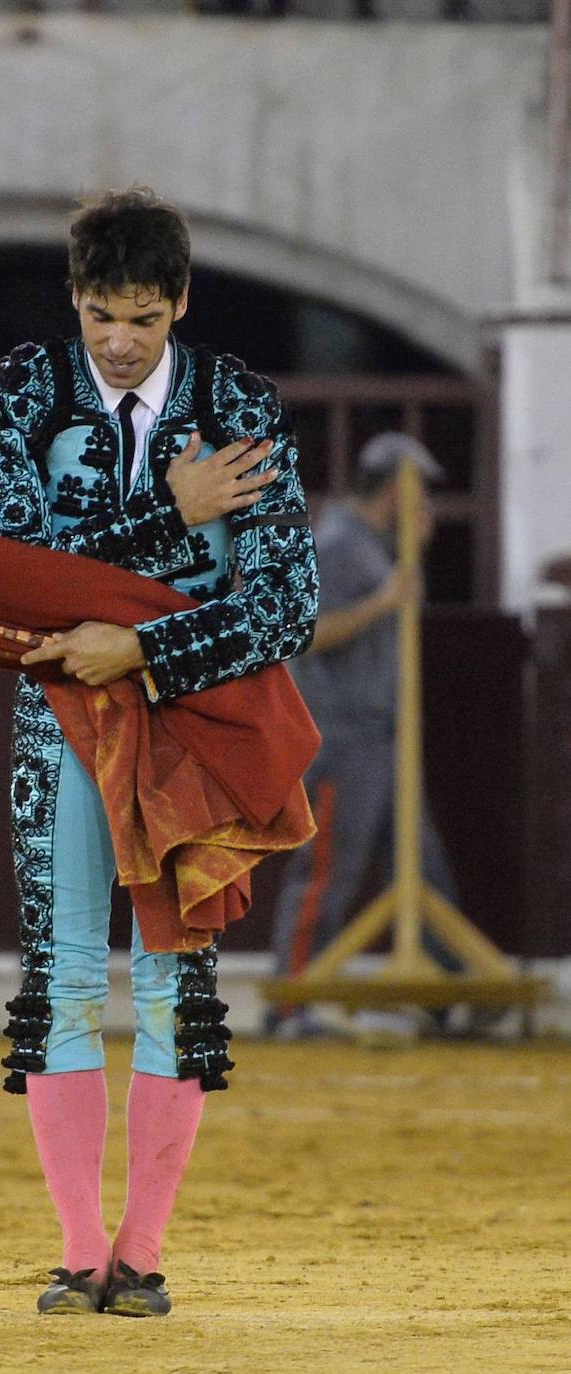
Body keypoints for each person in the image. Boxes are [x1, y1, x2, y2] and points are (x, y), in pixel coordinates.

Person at [0, 187, 318, 1316]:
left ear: (180, 304)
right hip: (61, 721)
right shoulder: (17, 393)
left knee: (178, 981)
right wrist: (170, 511)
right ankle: (80, 1253)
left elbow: (289, 606)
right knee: (62, 975)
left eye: (144, 320)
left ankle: (142, 1255)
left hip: (186, 720)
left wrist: (142, 648)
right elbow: (7, 571)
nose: (119, 343)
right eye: (101, 317)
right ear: (73, 300)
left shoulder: (242, 405)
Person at [268, 432, 461, 1038]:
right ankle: (289, 1005)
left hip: (382, 736)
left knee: (421, 865)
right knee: (329, 869)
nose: (425, 503)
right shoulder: (336, 545)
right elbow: (304, 633)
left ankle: (447, 989)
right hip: (342, 735)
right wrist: (383, 602)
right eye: (417, 489)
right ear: (392, 490)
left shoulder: (372, 547)